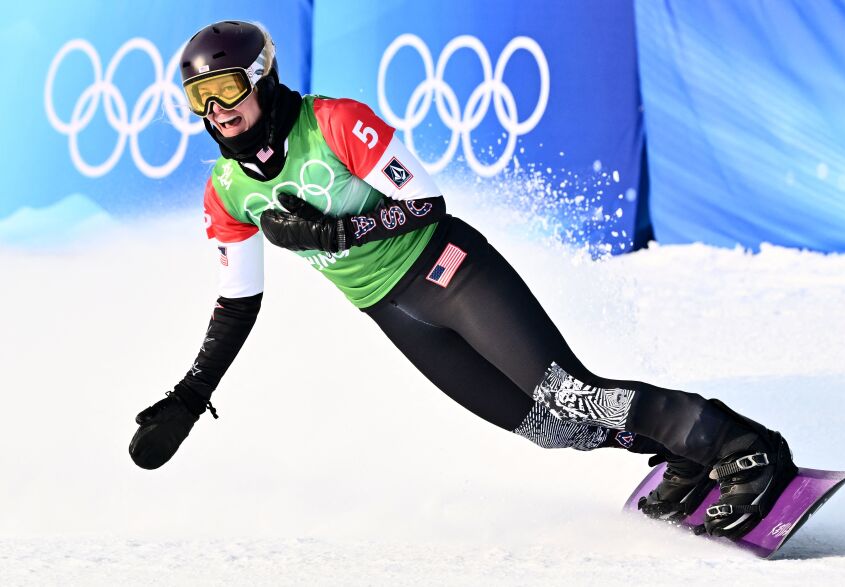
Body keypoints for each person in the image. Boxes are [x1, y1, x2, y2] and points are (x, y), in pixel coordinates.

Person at [129, 20, 797, 540]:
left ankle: (736, 444)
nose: (215, 110)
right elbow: (238, 302)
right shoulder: (228, 191)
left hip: (447, 267)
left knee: (571, 392)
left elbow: (426, 202)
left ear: (262, 79)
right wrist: (191, 394)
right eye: (198, 98)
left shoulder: (333, 122)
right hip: (395, 313)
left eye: (226, 89)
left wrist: (339, 233)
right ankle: (681, 454)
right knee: (549, 426)